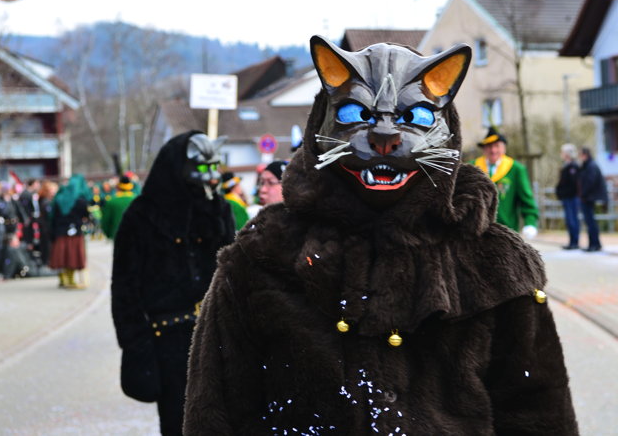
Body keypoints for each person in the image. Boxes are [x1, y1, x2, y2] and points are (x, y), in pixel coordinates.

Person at [183, 35, 577, 434]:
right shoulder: (262, 255)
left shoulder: (496, 264)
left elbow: (539, 415)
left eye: (417, 118)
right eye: (356, 113)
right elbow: (214, 410)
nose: (385, 138)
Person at [111, 131, 235, 436]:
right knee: (179, 425)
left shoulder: (218, 209)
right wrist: (138, 348)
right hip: (167, 340)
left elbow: (233, 275)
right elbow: (124, 290)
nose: (211, 176)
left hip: (216, 336)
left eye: (213, 167)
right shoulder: (141, 216)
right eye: (203, 168)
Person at [471, 126, 539, 239]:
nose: (493, 150)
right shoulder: (472, 167)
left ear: (504, 148)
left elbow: (527, 201)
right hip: (477, 233)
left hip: (506, 232)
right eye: (489, 146)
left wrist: (530, 223)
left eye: (497, 146)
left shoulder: (516, 169)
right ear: (484, 149)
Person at [48, 175, 92, 288]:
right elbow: (86, 215)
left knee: (62, 256)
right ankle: (70, 280)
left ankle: (63, 278)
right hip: (75, 232)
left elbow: (53, 217)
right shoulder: (81, 201)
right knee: (73, 257)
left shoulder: (58, 199)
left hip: (60, 232)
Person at [578, 147, 608, 252]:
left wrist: (583, 194)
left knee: (590, 222)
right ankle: (594, 244)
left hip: (589, 198)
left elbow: (590, 182)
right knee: (590, 222)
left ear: (585, 155)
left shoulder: (591, 166)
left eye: (581, 155)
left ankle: (594, 244)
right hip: (588, 197)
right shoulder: (588, 166)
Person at [555, 143, 581, 249]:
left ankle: (574, 242)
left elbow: (573, 184)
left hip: (572, 197)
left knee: (572, 219)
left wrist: (564, 192)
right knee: (569, 220)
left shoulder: (573, 167)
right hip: (567, 197)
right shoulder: (566, 166)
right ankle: (572, 241)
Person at [100, 175, 138, 240]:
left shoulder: (111, 202)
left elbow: (105, 221)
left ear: (118, 187)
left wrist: (109, 234)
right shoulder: (137, 200)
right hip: (136, 235)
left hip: (117, 235)